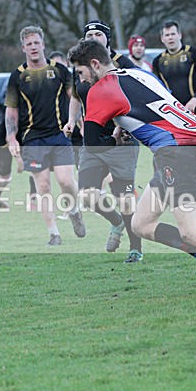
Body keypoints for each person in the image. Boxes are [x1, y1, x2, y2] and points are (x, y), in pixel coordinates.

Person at [68, 38, 196, 295]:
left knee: (191, 231)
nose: (81, 80)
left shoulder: (101, 89)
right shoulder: (138, 74)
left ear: (94, 64)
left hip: (173, 156)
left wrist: (113, 139)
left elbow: (92, 144)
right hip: (177, 153)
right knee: (141, 224)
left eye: (80, 72)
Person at [64, 20, 144, 262]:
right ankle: (116, 221)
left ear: (107, 39)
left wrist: (123, 125)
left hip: (122, 141)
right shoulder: (80, 65)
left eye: (98, 34)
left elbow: (137, 94)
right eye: (89, 35)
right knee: (87, 195)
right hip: (94, 139)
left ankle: (135, 248)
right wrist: (71, 120)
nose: (94, 38)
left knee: (125, 198)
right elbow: (76, 95)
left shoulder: (122, 63)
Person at [5, 25, 84, 246]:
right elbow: (11, 110)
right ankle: (54, 234)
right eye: (28, 44)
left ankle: (75, 211)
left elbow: (75, 99)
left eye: (36, 43)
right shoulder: (17, 76)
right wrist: (11, 138)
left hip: (59, 134)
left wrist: (77, 122)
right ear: (23, 48)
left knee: (66, 181)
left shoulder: (60, 71)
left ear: (43, 44)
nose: (33, 47)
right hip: (32, 139)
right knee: (43, 186)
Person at [152, 20, 196, 203]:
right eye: (167, 35)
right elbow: (156, 89)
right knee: (175, 153)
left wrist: (195, 98)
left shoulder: (193, 53)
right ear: (162, 38)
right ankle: (175, 191)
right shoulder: (158, 61)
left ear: (180, 35)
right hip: (172, 115)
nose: (170, 37)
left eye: (173, 34)